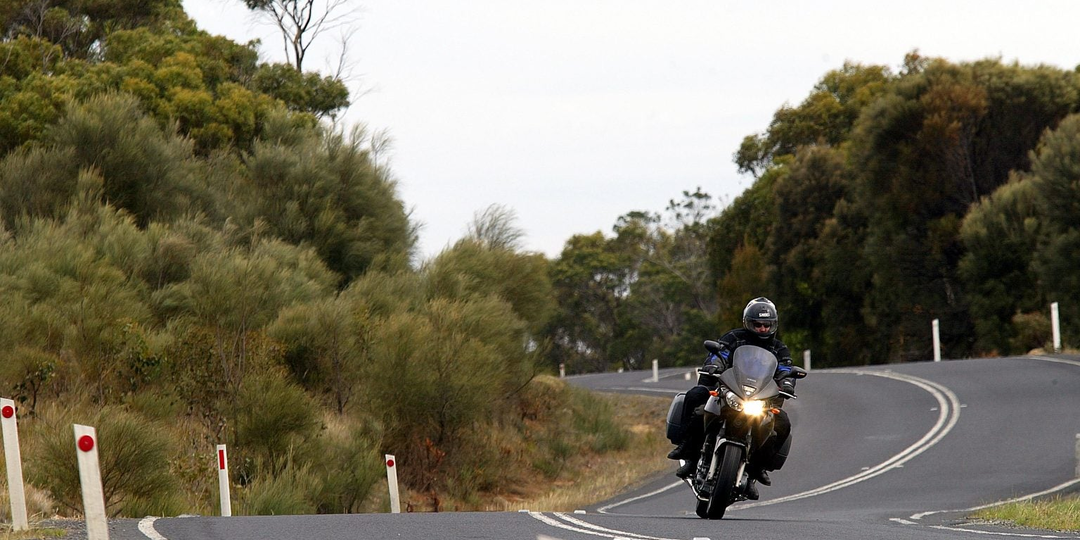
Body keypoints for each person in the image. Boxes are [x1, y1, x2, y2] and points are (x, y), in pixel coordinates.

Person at [667, 297, 796, 500]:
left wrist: (787, 382)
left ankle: (756, 471)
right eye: (757, 324)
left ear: (774, 325)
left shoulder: (779, 349)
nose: (762, 329)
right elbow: (719, 353)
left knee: (783, 423)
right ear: (748, 323)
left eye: (767, 325)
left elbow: (786, 369)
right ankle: (689, 452)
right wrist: (714, 365)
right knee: (695, 397)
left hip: (760, 399)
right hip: (728, 388)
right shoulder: (733, 338)